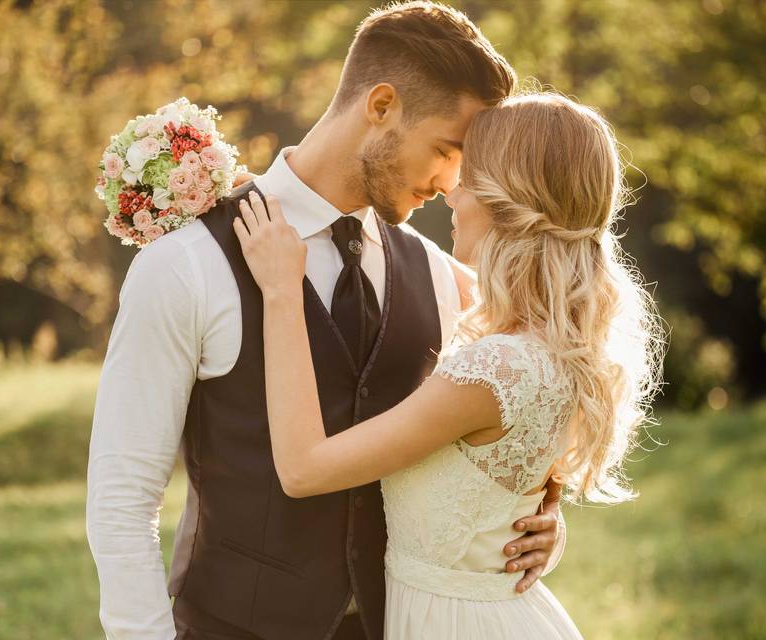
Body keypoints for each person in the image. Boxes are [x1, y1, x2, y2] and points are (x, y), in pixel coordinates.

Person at [86, 3, 567, 639]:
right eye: (446, 149)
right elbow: (122, 502)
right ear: (382, 106)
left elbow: (496, 428)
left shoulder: (439, 276)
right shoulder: (187, 264)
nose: (452, 183)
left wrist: (538, 527)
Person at [232, 92, 665, 639]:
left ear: (508, 201)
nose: (450, 191)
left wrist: (280, 290)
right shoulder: (551, 341)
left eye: (469, 176)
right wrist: (278, 191)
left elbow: (303, 469)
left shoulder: (493, 369)